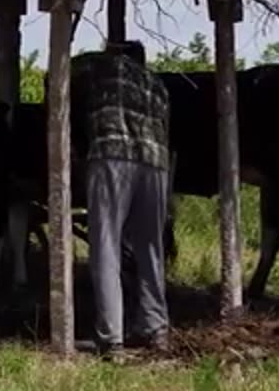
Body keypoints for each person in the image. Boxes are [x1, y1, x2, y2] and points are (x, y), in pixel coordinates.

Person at [71, 40, 172, 358]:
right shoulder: (157, 85)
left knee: (106, 245)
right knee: (150, 248)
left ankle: (111, 336)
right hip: (155, 163)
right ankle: (156, 328)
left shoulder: (103, 67)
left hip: (112, 154)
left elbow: (68, 69)